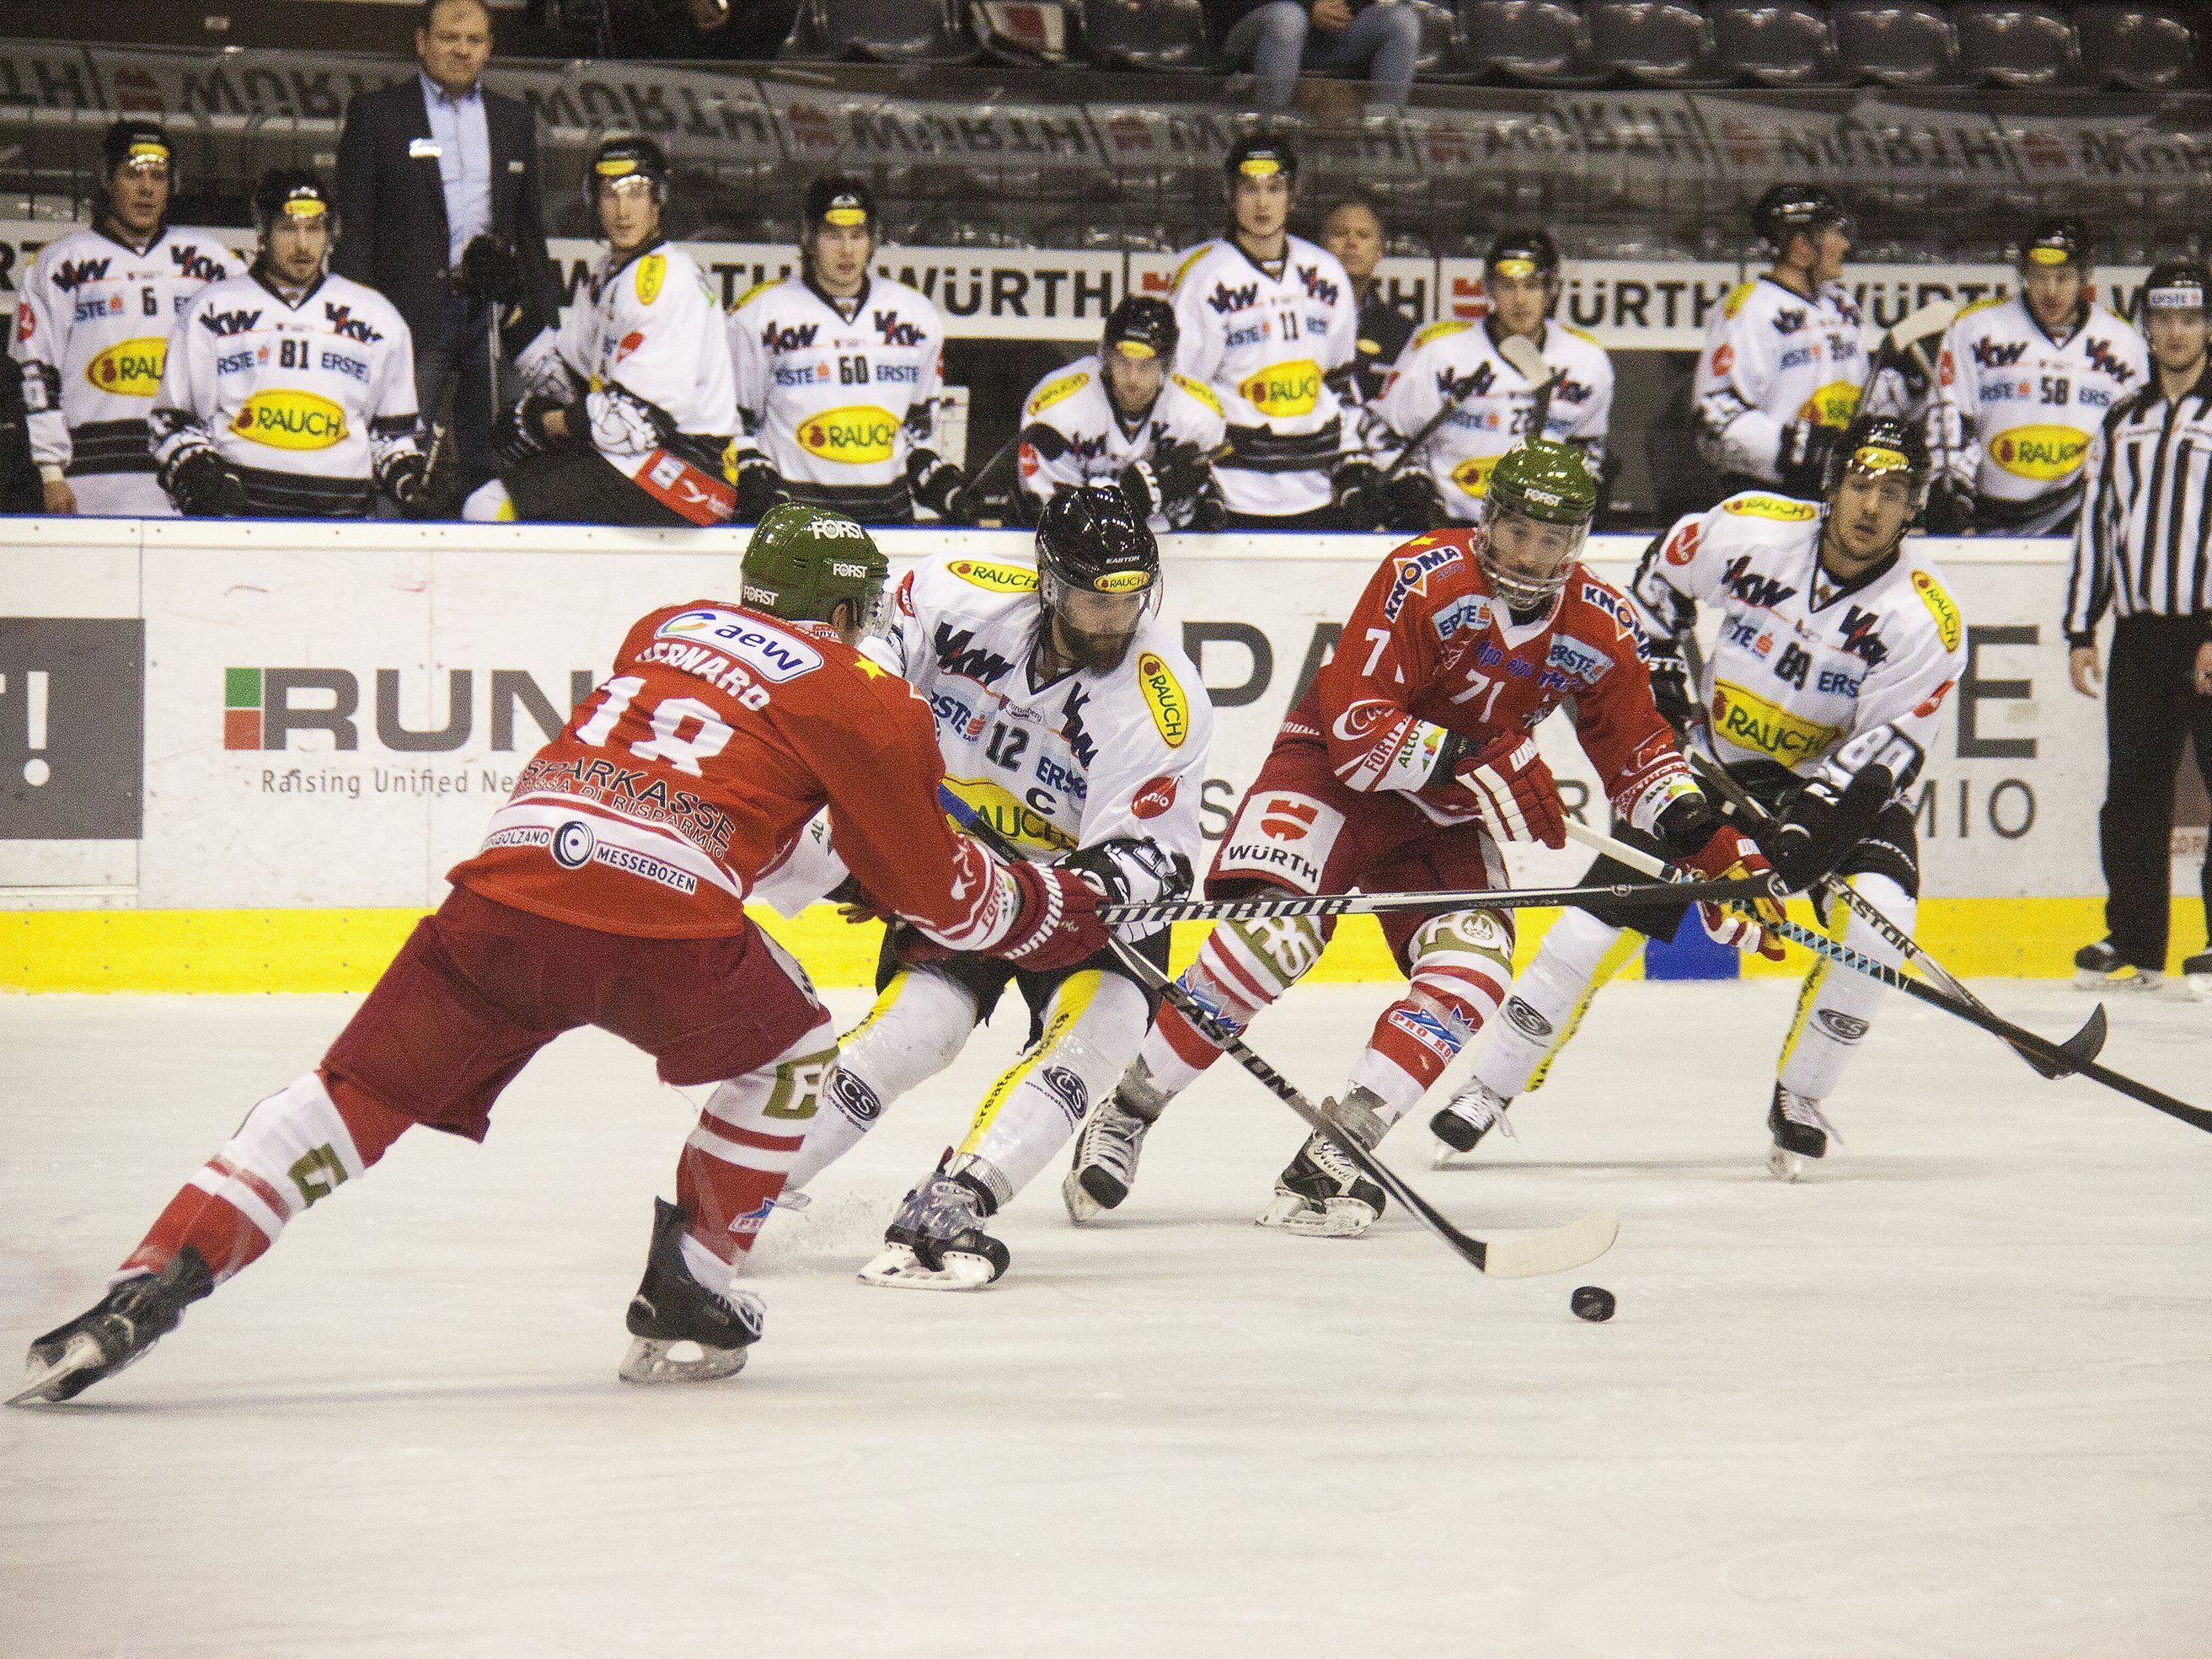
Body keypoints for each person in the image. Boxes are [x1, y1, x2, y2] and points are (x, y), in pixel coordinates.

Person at [10, 505, 1112, 1406]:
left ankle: (155, 1274)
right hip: (662, 922)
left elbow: (735, 787)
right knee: (795, 1050)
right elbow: (943, 896)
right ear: (842, 610)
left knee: (349, 1095)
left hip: (507, 893)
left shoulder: (666, 628)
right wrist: (1062, 910)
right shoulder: (865, 693)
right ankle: (691, 1288)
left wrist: (845, 866)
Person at [1063, 442, 1782, 1234]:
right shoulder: (1422, 575)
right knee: (1273, 942)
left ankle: (1340, 1149)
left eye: (1552, 541)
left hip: (1445, 809)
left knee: (1472, 970)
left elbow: (1637, 750)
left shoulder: (1599, 624)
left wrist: (1707, 842)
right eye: (1518, 533)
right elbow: (1357, 731)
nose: (1531, 556)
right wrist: (1475, 756)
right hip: (1331, 772)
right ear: (1488, 522)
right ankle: (1128, 1110)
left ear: (1574, 545)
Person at [1447, 415, 1968, 1180]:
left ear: (1913, 506)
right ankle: (1490, 1085)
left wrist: (1805, 836)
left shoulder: (1925, 617)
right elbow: (1658, 577)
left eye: (1891, 492)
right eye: (1858, 484)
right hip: (1708, 764)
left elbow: (1881, 756)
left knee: (1881, 921)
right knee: (1584, 935)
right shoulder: (1751, 527)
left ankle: (1801, 1095)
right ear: (1829, 486)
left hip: (1826, 785)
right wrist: (1657, 664)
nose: (1869, 507)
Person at [743, 486, 1212, 1286]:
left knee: (1097, 1035)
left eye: (1130, 598)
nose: (1115, 619)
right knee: (918, 1029)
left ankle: (962, 1193)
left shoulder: (1162, 702)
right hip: (959, 870)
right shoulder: (954, 593)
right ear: (1050, 583)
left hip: (1079, 896)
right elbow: (868, 652)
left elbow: (1152, 863)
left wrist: (1062, 893)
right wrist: (878, 744)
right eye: (1097, 600)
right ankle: (750, 1180)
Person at [334, 0, 560, 501]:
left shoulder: (515, 119)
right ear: (422, 42)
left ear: (489, 49)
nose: (461, 49)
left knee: (493, 455)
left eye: (474, 40)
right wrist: (353, 315)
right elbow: (355, 232)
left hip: (491, 317)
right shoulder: (377, 113)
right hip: (408, 314)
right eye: (449, 37)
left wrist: (541, 316)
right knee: (402, 452)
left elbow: (530, 230)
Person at [2065, 260, 2212, 994]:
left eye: (2189, 318)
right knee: (2131, 793)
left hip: (2209, 630)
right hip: (2139, 635)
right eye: (2163, 318)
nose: (2175, 332)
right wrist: (2080, 629)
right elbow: (2098, 528)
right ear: (2145, 326)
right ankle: (2134, 941)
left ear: (2208, 327)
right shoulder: (2121, 418)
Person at [470, 134, 736, 527]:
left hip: (691, 473)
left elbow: (635, 422)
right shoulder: (605, 273)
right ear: (594, 202)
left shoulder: (663, 280)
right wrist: (512, 307)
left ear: (658, 200)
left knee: (489, 507)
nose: (622, 210)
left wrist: (539, 424)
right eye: (610, 194)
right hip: (641, 456)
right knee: (503, 481)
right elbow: (570, 381)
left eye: (635, 193)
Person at [148, 170, 429, 519]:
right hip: (241, 521)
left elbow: (392, 437)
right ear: (263, 232)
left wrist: (411, 479)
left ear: (330, 234)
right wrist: (198, 470)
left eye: (314, 228)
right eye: (288, 228)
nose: (302, 245)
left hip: (344, 525)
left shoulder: (378, 315)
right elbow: (172, 424)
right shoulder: (211, 308)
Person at [9, 120, 236, 517]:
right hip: (90, 475)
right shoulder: (59, 262)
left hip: (189, 475)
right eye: (133, 174)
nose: (147, 188)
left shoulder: (213, 262)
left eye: (159, 176)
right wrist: (49, 472)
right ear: (108, 180)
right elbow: (35, 369)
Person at [726, 175, 971, 526]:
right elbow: (735, 426)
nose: (847, 250)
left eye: (857, 236)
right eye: (832, 235)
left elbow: (918, 436)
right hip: (798, 517)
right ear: (808, 239)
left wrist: (945, 486)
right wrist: (754, 479)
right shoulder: (759, 316)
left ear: (873, 240)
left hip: (888, 519)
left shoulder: (917, 315)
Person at [1170, 135, 1365, 529]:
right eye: (1250, 189)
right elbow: (1183, 390)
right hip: (1233, 491)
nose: (1263, 203)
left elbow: (1340, 384)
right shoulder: (1204, 277)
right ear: (1230, 194)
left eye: (1275, 189)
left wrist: (1353, 461)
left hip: (1317, 490)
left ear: (1292, 196)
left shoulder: (1327, 272)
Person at [1372, 229, 1614, 528]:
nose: (1519, 299)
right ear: (1488, 288)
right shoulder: (1440, 350)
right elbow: (1387, 434)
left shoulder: (1587, 360)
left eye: (1532, 286)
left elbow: (1588, 450)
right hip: (1450, 522)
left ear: (1552, 290)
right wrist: (1420, 501)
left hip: (1534, 534)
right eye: (1507, 286)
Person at [1923, 218, 2147, 538]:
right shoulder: (1976, 329)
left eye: (2063, 278)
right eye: (2040, 277)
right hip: (1990, 516)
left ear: (2085, 277)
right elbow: (1950, 415)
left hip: (2083, 517)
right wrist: (1951, 489)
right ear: (2024, 274)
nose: (2051, 291)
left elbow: (2134, 439)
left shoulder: (2124, 342)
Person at [1694, 185, 1868, 498]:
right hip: (1771, 496)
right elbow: (1714, 416)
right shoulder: (1750, 309)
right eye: (1833, 234)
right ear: (1802, 247)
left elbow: (1864, 401)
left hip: (1843, 494)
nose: (1844, 245)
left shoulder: (1844, 307)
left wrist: (1902, 386)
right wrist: (1795, 449)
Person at [1014, 296, 1226, 531]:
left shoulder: (1199, 414)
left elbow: (1208, 515)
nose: (1133, 378)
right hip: (1077, 546)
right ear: (1107, 359)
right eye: (1124, 362)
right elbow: (1048, 516)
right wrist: (1129, 498)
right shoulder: (1057, 409)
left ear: (1166, 368)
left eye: (1146, 366)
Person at [1211, 1, 1423, 110]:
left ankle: (1384, 136)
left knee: (1402, 21)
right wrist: (1309, 7)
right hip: (1254, 33)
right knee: (1288, 18)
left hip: (1326, 38)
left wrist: (1342, 8)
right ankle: (1269, 133)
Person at [1320, 196, 1414, 407]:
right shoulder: (1294, 314)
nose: (1351, 243)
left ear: (1379, 251)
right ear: (1320, 247)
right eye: (1340, 234)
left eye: (1363, 235)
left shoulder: (1402, 332)